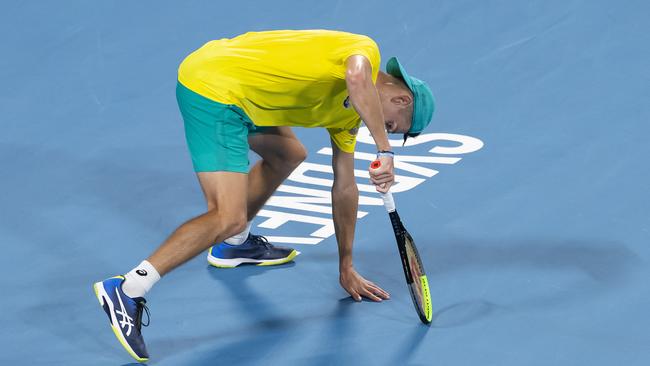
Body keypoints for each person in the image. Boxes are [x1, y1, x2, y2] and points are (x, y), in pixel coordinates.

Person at [93, 29, 434, 362]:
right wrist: (384, 149)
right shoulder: (364, 52)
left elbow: (345, 186)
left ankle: (235, 245)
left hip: (244, 92)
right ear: (401, 99)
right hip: (214, 90)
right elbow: (357, 79)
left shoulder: (347, 119)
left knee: (289, 154)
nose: (384, 128)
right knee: (226, 216)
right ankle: (128, 289)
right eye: (393, 125)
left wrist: (346, 265)